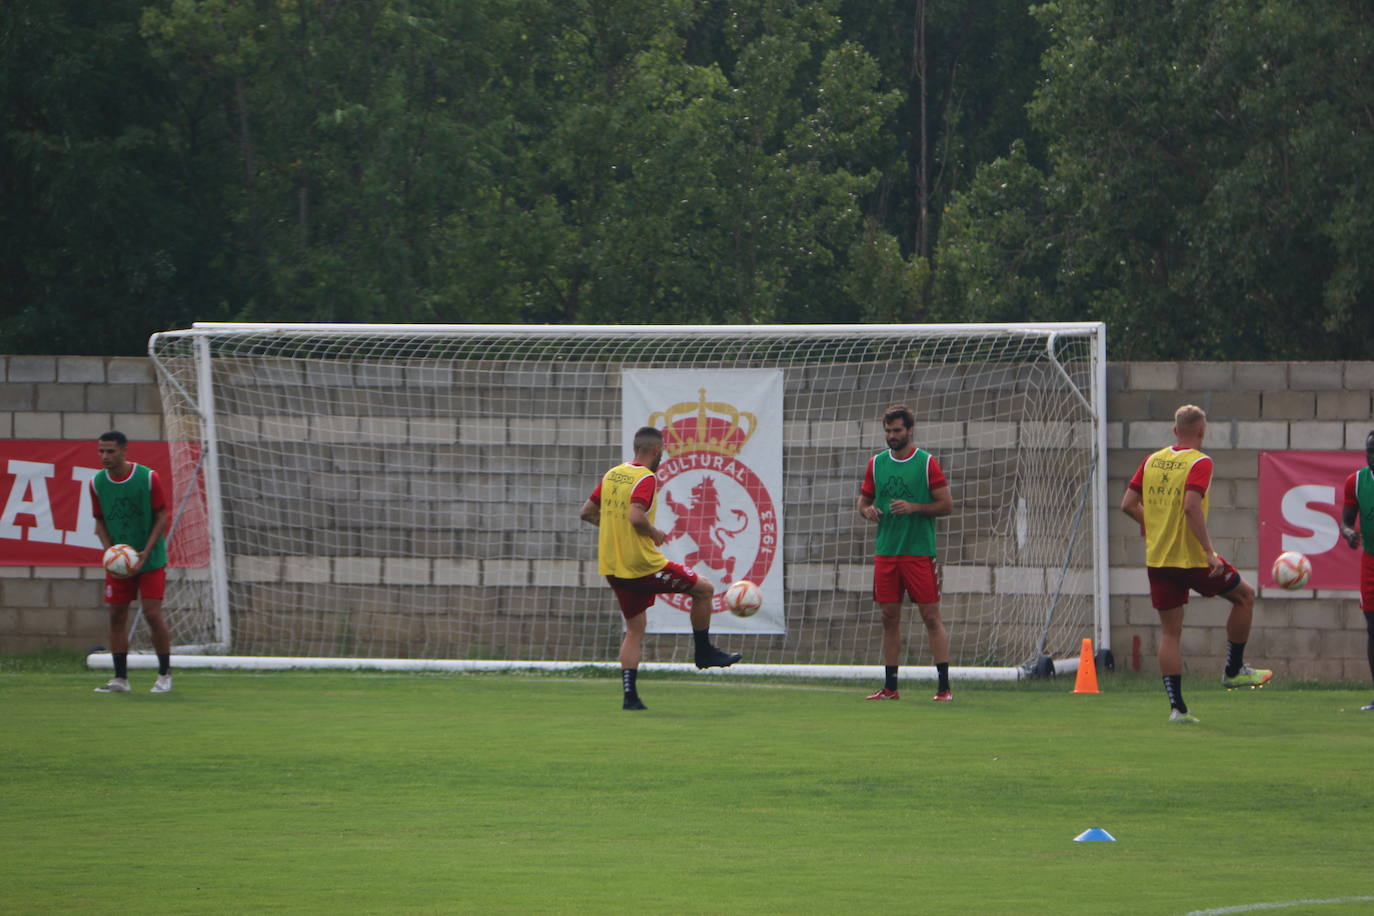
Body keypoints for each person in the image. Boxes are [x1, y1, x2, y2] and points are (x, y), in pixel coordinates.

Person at [1120, 404, 1271, 724]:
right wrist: (1208, 551)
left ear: (1175, 431)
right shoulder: (1200, 462)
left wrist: (1153, 525)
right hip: (1191, 559)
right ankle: (1233, 671)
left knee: (1170, 634)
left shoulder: (1151, 460)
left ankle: (1178, 709)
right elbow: (1191, 507)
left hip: (1159, 560)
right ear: (1202, 431)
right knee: (1244, 596)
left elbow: (1127, 505)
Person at [579, 426, 741, 710]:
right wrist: (653, 533)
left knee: (635, 629)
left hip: (614, 567)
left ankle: (630, 697)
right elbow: (635, 516)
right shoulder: (647, 478)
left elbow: (587, 513)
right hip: (642, 565)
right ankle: (704, 653)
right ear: (655, 451)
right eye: (662, 450)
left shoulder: (612, 475)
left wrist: (614, 530)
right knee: (704, 589)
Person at [856, 404, 954, 702]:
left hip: (918, 551)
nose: (891, 436)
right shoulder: (876, 463)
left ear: (909, 430)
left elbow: (946, 505)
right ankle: (890, 687)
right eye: (887, 431)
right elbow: (862, 502)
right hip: (887, 551)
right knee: (888, 616)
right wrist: (868, 510)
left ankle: (943, 687)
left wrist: (915, 508)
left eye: (897, 430)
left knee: (930, 616)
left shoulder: (926, 463)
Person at [90, 431, 173, 694]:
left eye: (110, 451)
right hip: (120, 562)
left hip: (150, 559)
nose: (105, 456)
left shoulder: (148, 478)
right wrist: (111, 554)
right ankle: (120, 679)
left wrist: (144, 555)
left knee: (151, 613)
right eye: (101, 451)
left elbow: (161, 515)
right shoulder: (97, 483)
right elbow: (100, 520)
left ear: (124, 451)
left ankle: (164, 674)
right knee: (116, 615)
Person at [1339, 429, 1374, 712]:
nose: (1372, 456)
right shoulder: (1356, 481)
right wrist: (1349, 533)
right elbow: (1346, 521)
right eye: (1369, 451)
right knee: (1373, 628)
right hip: (1371, 562)